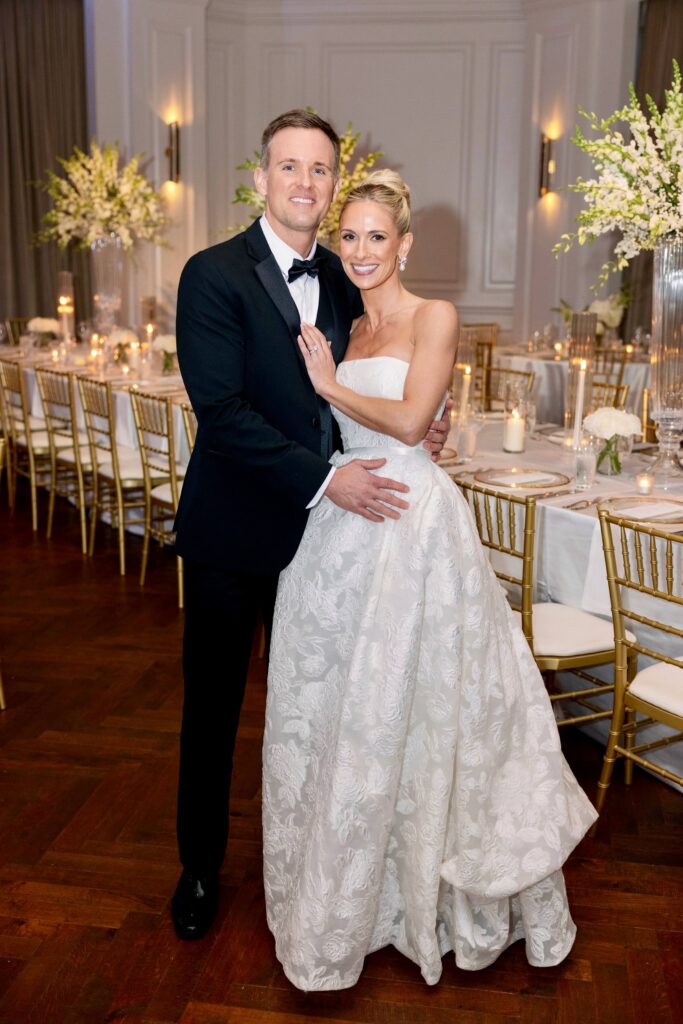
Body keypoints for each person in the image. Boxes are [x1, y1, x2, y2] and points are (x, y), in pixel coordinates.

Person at [262, 169, 598, 990]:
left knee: (420, 705)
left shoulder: (433, 315)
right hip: (343, 528)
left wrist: (332, 386)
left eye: (377, 236)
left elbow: (413, 421)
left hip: (414, 530)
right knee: (347, 713)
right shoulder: (340, 323)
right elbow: (337, 425)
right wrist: (333, 393)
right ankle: (357, 892)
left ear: (404, 245)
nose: (361, 250)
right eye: (349, 237)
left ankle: (438, 898)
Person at [172, 111, 451, 940]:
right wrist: (329, 475)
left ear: (334, 185)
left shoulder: (344, 272)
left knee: (324, 707)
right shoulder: (211, 273)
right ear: (261, 178)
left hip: (338, 544)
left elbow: (372, 379)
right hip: (237, 531)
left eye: (319, 170)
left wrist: (422, 424)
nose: (304, 182)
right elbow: (221, 412)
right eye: (288, 167)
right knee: (214, 711)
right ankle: (197, 869)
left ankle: (317, 858)